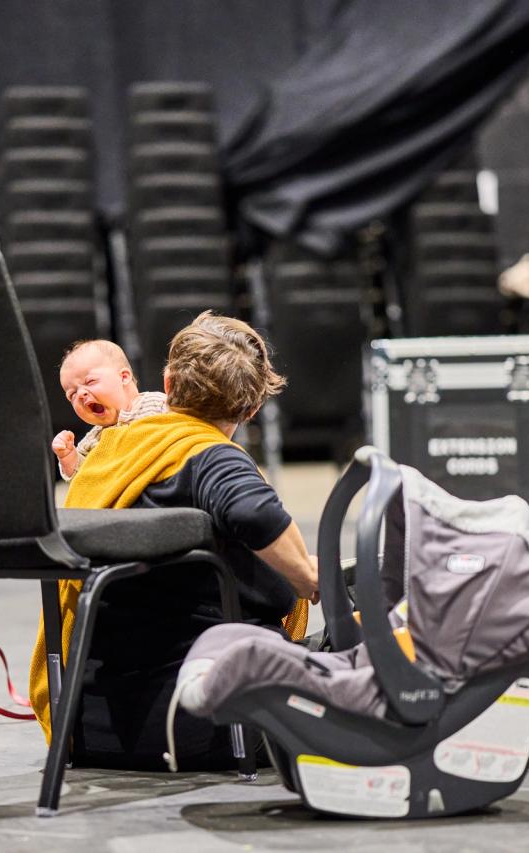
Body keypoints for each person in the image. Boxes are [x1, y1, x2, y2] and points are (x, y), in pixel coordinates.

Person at [29, 311, 317, 769]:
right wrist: (306, 576)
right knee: (364, 646)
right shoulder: (206, 456)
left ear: (166, 383)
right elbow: (255, 514)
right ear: (252, 408)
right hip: (208, 725)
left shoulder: (115, 451)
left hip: (89, 726)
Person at [52, 339, 167, 480]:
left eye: (90, 381)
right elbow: (83, 480)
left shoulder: (157, 403)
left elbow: (189, 428)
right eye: (72, 394)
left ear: (124, 377)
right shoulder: (92, 441)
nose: (81, 394)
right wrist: (69, 457)